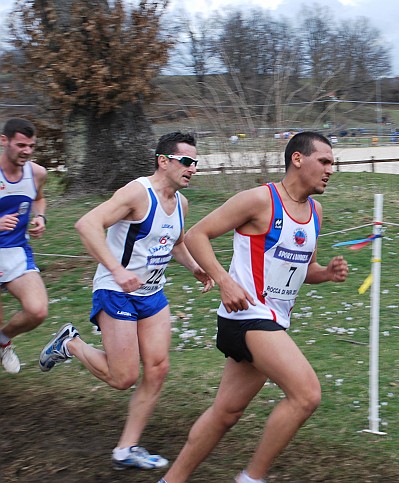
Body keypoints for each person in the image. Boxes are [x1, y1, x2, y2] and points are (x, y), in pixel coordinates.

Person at [159, 131, 348, 483]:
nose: (330, 170)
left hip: (271, 322)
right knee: (306, 395)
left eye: (331, 164)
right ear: (297, 159)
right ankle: (251, 478)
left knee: (226, 413)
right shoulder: (260, 199)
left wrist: (326, 274)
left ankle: (171, 480)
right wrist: (224, 280)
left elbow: (305, 271)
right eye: (324, 161)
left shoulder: (315, 212)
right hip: (247, 317)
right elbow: (196, 234)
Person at [38, 132, 214, 470]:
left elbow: (173, 241)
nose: (193, 168)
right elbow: (87, 224)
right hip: (115, 290)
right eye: (187, 161)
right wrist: (117, 270)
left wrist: (195, 267)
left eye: (196, 163)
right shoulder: (137, 193)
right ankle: (70, 343)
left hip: (151, 294)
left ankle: (126, 448)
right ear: (164, 161)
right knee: (123, 377)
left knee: (159, 368)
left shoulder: (181, 203)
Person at [0, 118, 48, 374]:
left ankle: (2, 340)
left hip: (16, 251)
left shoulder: (37, 173)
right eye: (21, 145)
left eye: (31, 145)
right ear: (3, 141)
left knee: (37, 310)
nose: (27, 151)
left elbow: (39, 199)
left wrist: (40, 217)